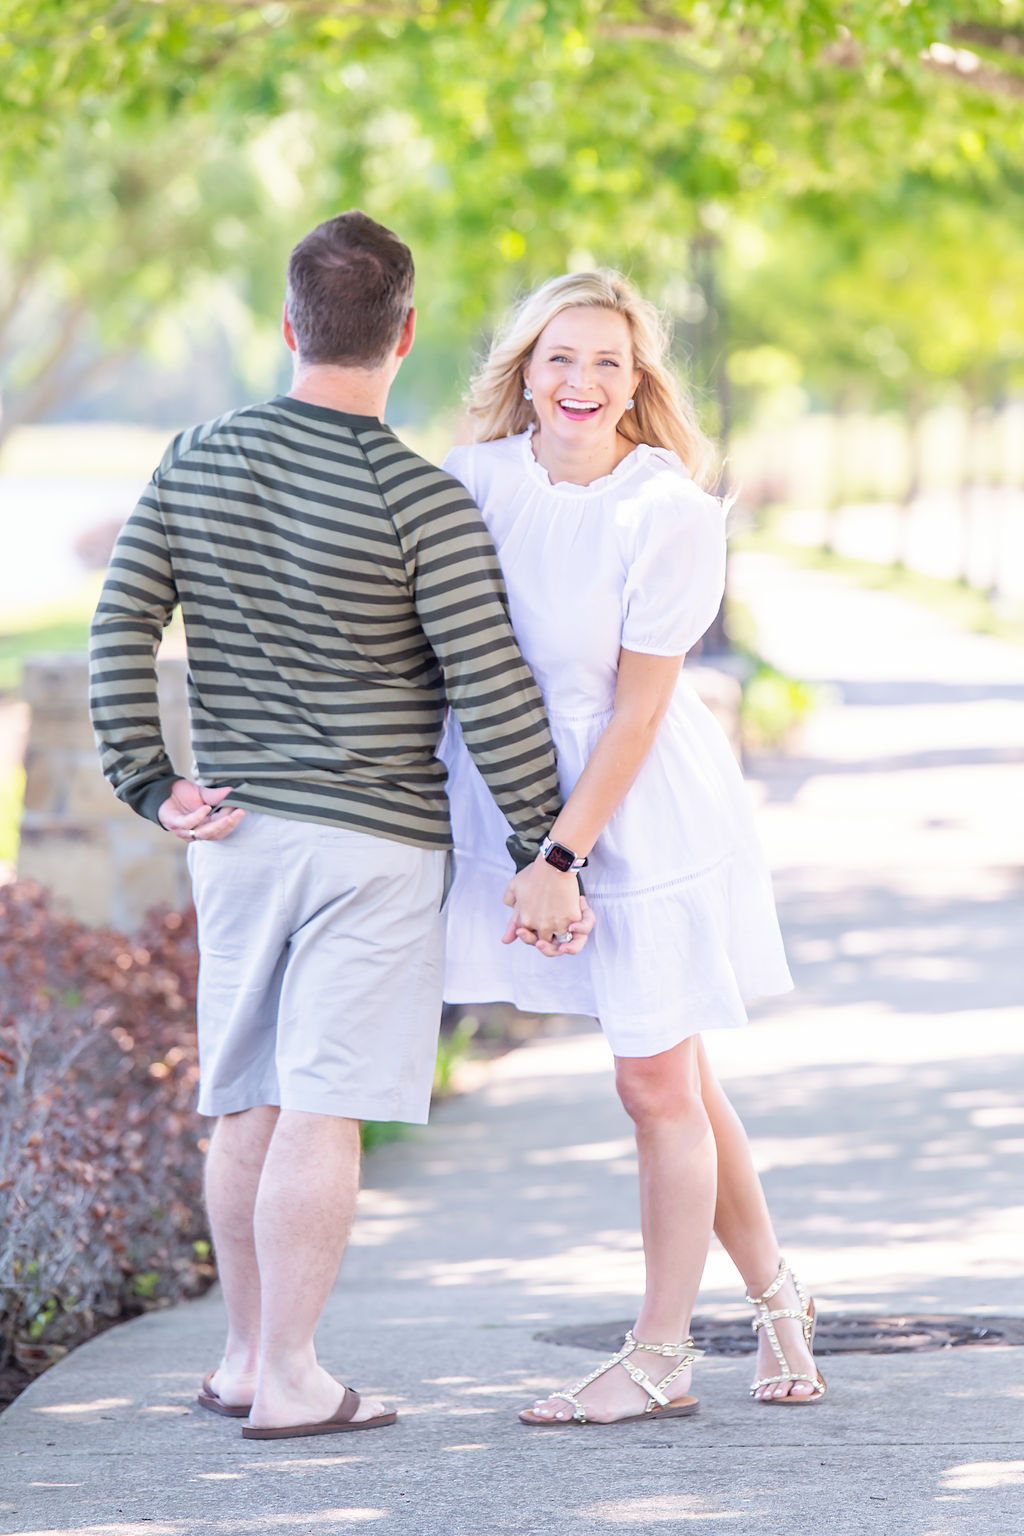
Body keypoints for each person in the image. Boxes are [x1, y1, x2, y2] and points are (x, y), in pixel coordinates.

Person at [88, 212, 591, 1442]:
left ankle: (247, 1359)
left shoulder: (194, 456)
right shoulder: (421, 502)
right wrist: (552, 853)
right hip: (374, 847)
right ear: (406, 335)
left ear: (287, 324)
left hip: (240, 834)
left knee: (248, 1102)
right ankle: (298, 1380)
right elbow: (493, 691)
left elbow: (117, 631)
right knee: (322, 1108)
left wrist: (153, 784)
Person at [439, 270, 827, 1425]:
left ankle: (660, 1355)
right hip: (521, 800)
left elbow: (639, 713)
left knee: (653, 1078)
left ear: (637, 382)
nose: (582, 382)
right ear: (524, 369)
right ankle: (777, 1302)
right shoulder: (476, 481)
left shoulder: (664, 511)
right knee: (680, 1077)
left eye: (609, 362)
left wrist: (557, 860)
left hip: (636, 811)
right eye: (561, 357)